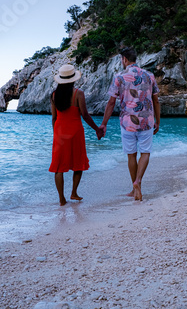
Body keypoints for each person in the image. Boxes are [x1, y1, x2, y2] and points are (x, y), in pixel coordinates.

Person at [100, 47, 160, 201]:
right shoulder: (149, 76)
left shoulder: (119, 77)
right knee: (145, 152)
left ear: (124, 59)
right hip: (147, 120)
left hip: (127, 122)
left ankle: (134, 187)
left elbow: (111, 102)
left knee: (131, 155)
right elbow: (155, 100)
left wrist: (104, 124)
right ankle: (138, 182)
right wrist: (158, 120)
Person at [49, 64, 103, 206]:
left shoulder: (54, 95)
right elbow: (85, 115)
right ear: (73, 79)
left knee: (58, 166)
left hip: (59, 132)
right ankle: (74, 192)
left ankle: (61, 199)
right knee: (78, 163)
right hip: (76, 132)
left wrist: (56, 133)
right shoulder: (78, 93)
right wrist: (97, 129)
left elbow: (54, 118)